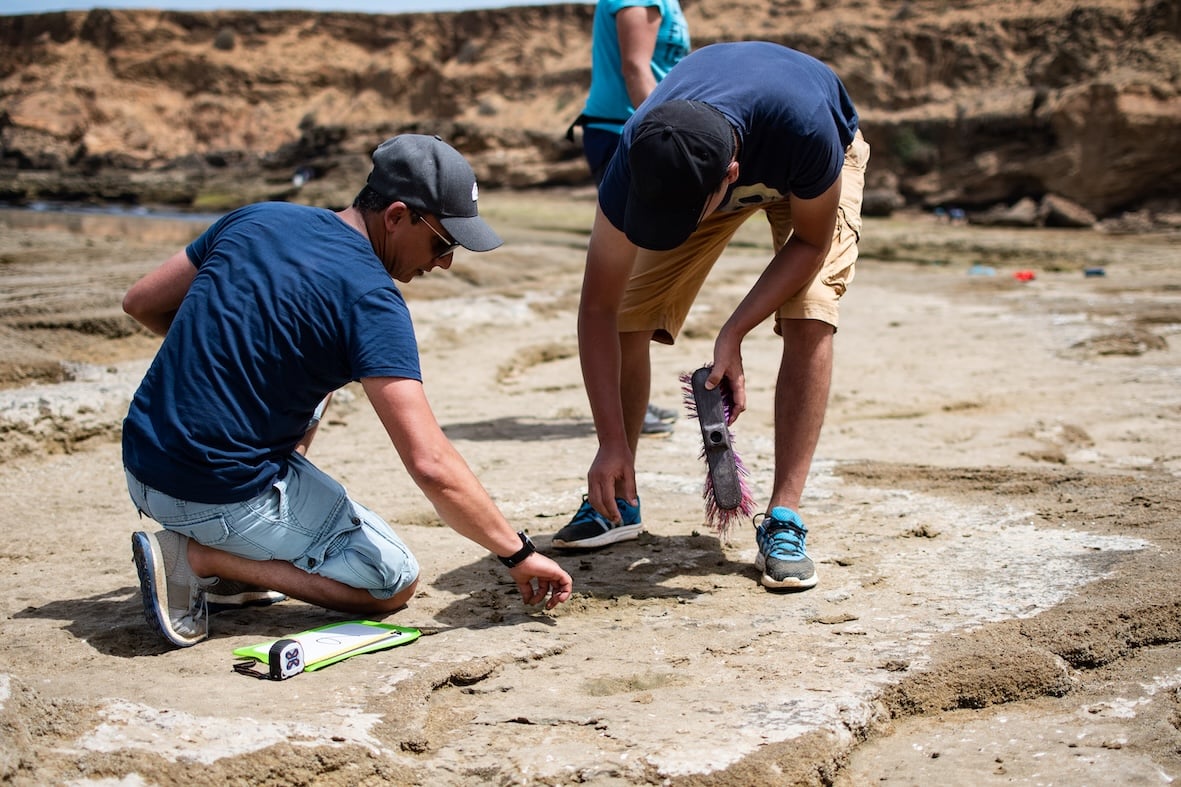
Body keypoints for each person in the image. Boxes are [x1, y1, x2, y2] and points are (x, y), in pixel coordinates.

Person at [122, 134, 574, 648]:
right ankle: (200, 557)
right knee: (390, 583)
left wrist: (223, 354)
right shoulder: (372, 301)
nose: (446, 262)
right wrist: (518, 554)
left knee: (321, 379)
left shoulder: (258, 217)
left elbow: (140, 302)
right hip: (208, 488)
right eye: (443, 243)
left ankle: (235, 559)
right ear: (397, 216)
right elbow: (429, 463)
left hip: (142, 460)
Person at [551, 42, 870, 593]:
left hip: (817, 162)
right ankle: (618, 498)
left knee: (809, 311)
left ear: (730, 178)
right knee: (629, 312)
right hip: (707, 157)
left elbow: (811, 241)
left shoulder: (807, 133)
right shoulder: (640, 152)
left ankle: (785, 520)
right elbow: (598, 307)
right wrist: (609, 440)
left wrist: (733, 333)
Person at [570, 0, 690, 435]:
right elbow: (636, 68)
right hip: (629, 132)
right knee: (629, 286)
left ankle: (629, 405)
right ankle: (623, 414)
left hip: (638, 130)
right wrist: (670, 140)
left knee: (634, 285)